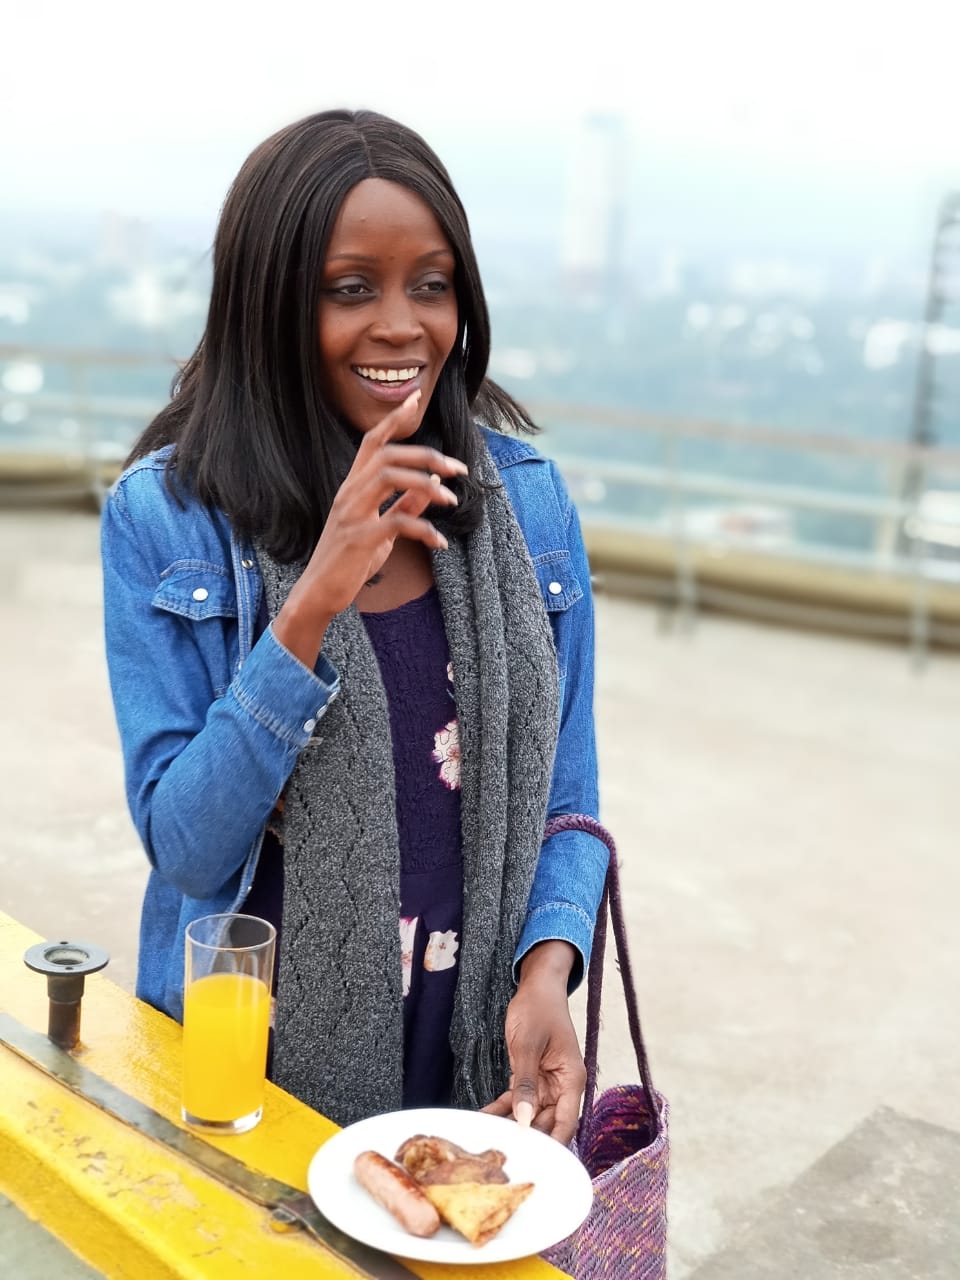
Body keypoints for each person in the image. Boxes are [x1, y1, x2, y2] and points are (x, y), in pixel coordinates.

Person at [101, 108, 609, 1144]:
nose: (401, 325)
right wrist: (312, 602)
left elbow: (569, 795)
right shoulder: (167, 518)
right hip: (250, 1074)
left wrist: (548, 967)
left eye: (432, 284)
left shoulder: (530, 506)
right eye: (349, 288)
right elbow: (188, 848)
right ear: (269, 303)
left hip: (468, 1059)